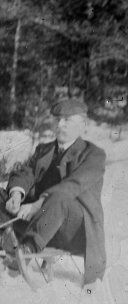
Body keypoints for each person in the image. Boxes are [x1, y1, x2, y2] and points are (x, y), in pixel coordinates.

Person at [0, 98, 106, 286]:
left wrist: (36, 205)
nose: (59, 124)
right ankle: (9, 246)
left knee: (59, 197)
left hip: (72, 232)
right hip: (37, 223)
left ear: (82, 125)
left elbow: (72, 186)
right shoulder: (44, 150)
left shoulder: (93, 155)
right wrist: (16, 194)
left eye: (66, 120)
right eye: (57, 120)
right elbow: (25, 173)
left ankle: (25, 251)